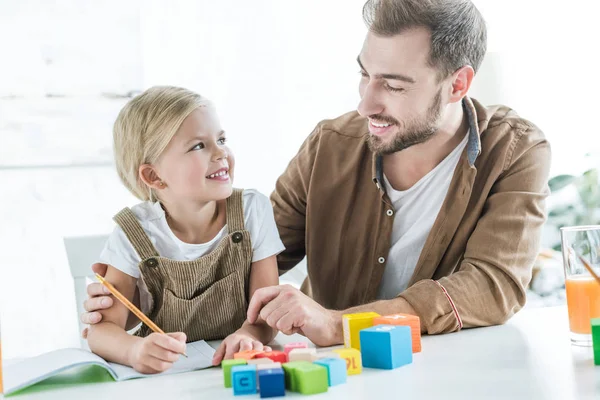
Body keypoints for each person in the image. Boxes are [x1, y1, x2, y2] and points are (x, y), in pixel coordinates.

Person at [83, 0, 551, 347]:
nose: (365, 103)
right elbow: (247, 255)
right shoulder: (331, 143)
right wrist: (148, 294)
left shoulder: (514, 152)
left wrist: (341, 324)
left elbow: (493, 286)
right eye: (365, 74)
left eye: (392, 84)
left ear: (458, 84)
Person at [86, 86, 283, 374]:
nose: (221, 153)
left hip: (240, 368)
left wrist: (249, 336)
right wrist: (135, 350)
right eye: (198, 146)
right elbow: (101, 330)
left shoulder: (253, 210)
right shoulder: (133, 233)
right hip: (168, 380)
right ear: (154, 176)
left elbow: (267, 308)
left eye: (221, 139)